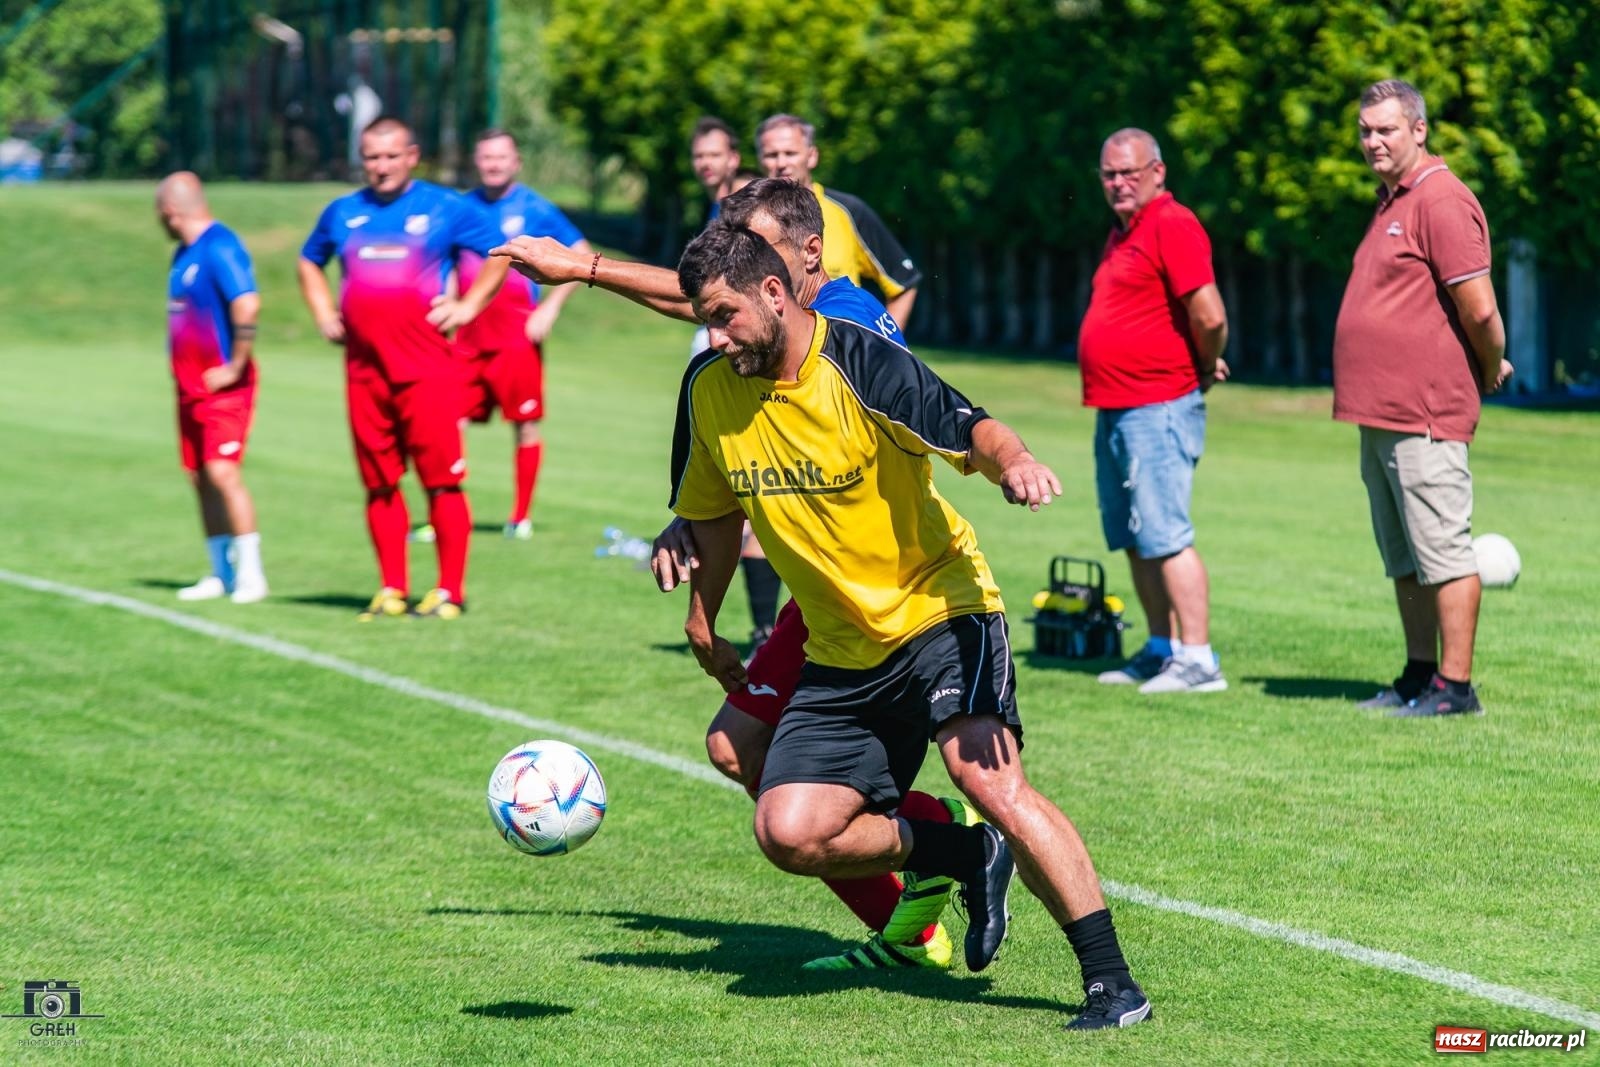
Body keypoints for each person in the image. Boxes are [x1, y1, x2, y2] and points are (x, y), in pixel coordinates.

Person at [670, 224, 1151, 1030]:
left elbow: (976, 429)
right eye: (704, 321)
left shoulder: (859, 363)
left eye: (724, 316)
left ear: (774, 293)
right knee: (787, 831)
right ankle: (962, 856)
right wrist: (702, 619)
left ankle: (1111, 980)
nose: (714, 338)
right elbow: (711, 514)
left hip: (939, 610)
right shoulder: (710, 387)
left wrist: (1018, 463)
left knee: (987, 780)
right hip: (840, 646)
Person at [495, 179, 963, 972]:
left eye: (753, 243)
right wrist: (699, 514)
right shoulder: (771, 322)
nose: (737, 259)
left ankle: (942, 847)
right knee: (737, 745)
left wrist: (583, 267)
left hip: (883, 593)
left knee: (764, 765)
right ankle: (912, 923)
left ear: (801, 259)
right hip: (821, 591)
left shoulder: (844, 320)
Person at [1333, 80, 1511, 717]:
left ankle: (1455, 689)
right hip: (1379, 413)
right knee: (1403, 555)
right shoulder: (1391, 201)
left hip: (1425, 413)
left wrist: (1491, 365)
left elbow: (1482, 311)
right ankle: (1418, 675)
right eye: (1365, 130)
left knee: (1443, 552)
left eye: (1385, 129)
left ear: (1418, 130)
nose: (1373, 141)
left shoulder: (1440, 199)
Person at [297, 115, 509, 620]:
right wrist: (325, 312)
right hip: (364, 371)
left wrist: (468, 306)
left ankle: (448, 591)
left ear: (412, 156)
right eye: (371, 156)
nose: (381, 166)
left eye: (391, 155)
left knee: (441, 481)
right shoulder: (342, 212)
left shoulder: (443, 207)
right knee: (378, 482)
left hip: (428, 369)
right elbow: (310, 260)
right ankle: (392, 587)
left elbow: (499, 253)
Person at [1079, 128, 1230, 694]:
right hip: (1118, 405)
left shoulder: (1172, 222)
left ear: (1157, 173)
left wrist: (1204, 363)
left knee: (1165, 533)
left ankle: (1199, 660)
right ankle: (1162, 646)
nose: (1118, 183)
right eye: (1109, 175)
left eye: (1129, 173)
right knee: (1135, 535)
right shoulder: (1124, 233)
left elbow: (1210, 317)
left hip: (1157, 405)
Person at [456, 128, 592, 541]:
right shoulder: (460, 208)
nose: (493, 164)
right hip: (466, 334)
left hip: (516, 333)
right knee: (447, 421)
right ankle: (445, 508)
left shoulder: (535, 208)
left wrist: (549, 307)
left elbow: (582, 255)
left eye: (501, 157)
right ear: (476, 162)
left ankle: (520, 516)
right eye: (486, 157)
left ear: (516, 162)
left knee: (525, 423)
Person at [157, 172, 269, 605]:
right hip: (189, 389)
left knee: (223, 473)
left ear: (169, 211)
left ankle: (252, 576)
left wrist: (235, 364)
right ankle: (220, 573)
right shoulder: (183, 254)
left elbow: (248, 300)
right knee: (200, 476)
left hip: (224, 387)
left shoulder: (221, 245)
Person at [753, 113, 921, 328]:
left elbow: (903, 282)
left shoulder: (848, 211)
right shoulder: (749, 219)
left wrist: (883, 347)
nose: (782, 163)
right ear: (760, 159)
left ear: (812, 156)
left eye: (790, 153)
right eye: (772, 155)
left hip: (842, 352)